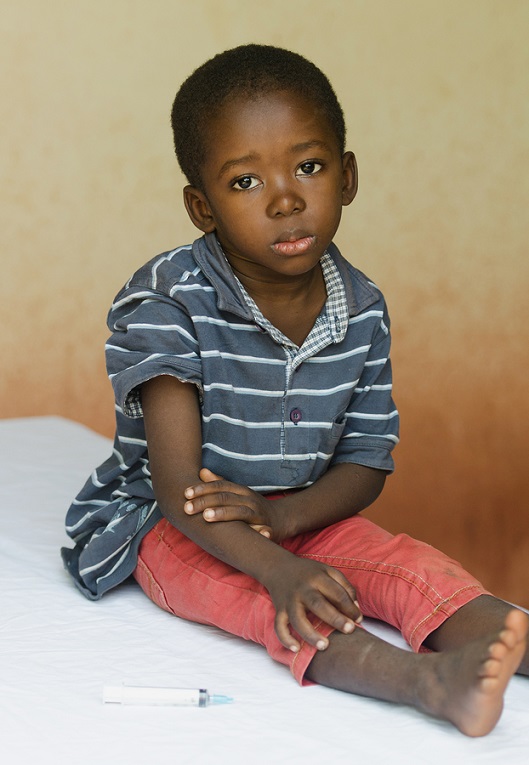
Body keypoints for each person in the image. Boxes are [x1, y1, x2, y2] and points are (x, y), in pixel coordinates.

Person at [61, 44, 528, 737]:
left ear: (346, 176)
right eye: (245, 182)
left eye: (307, 167)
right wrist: (277, 565)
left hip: (296, 511)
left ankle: (511, 637)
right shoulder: (165, 302)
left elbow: (366, 460)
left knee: (406, 564)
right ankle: (427, 681)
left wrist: (285, 521)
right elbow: (178, 488)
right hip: (168, 524)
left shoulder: (361, 305)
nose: (284, 198)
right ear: (202, 206)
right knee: (271, 598)